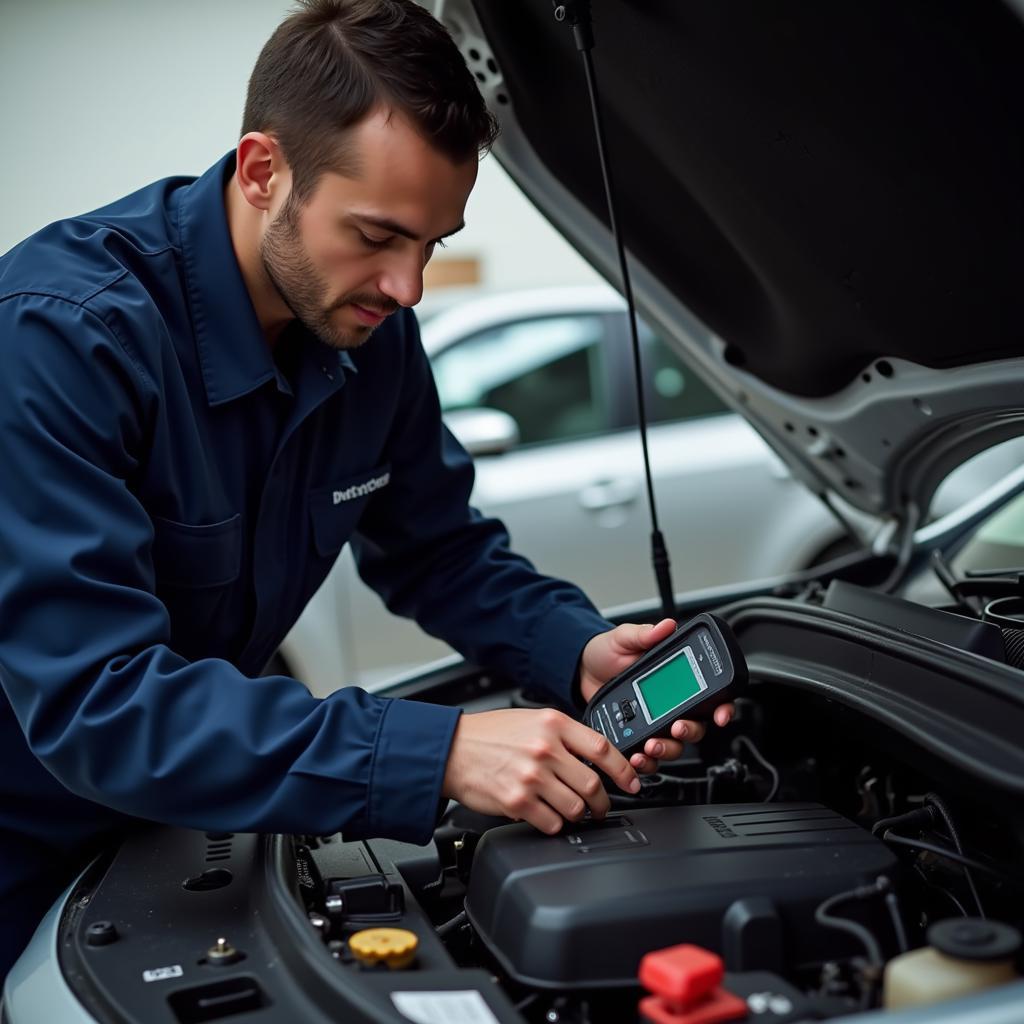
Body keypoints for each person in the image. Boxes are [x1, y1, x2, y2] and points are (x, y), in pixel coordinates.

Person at [0, 0, 731, 980]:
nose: (409, 288)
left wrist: (577, 648)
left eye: (431, 243)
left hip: (168, 832)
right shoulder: (59, 339)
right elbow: (102, 702)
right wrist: (435, 754)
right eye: (379, 235)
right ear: (264, 171)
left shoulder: (371, 332)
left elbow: (438, 548)